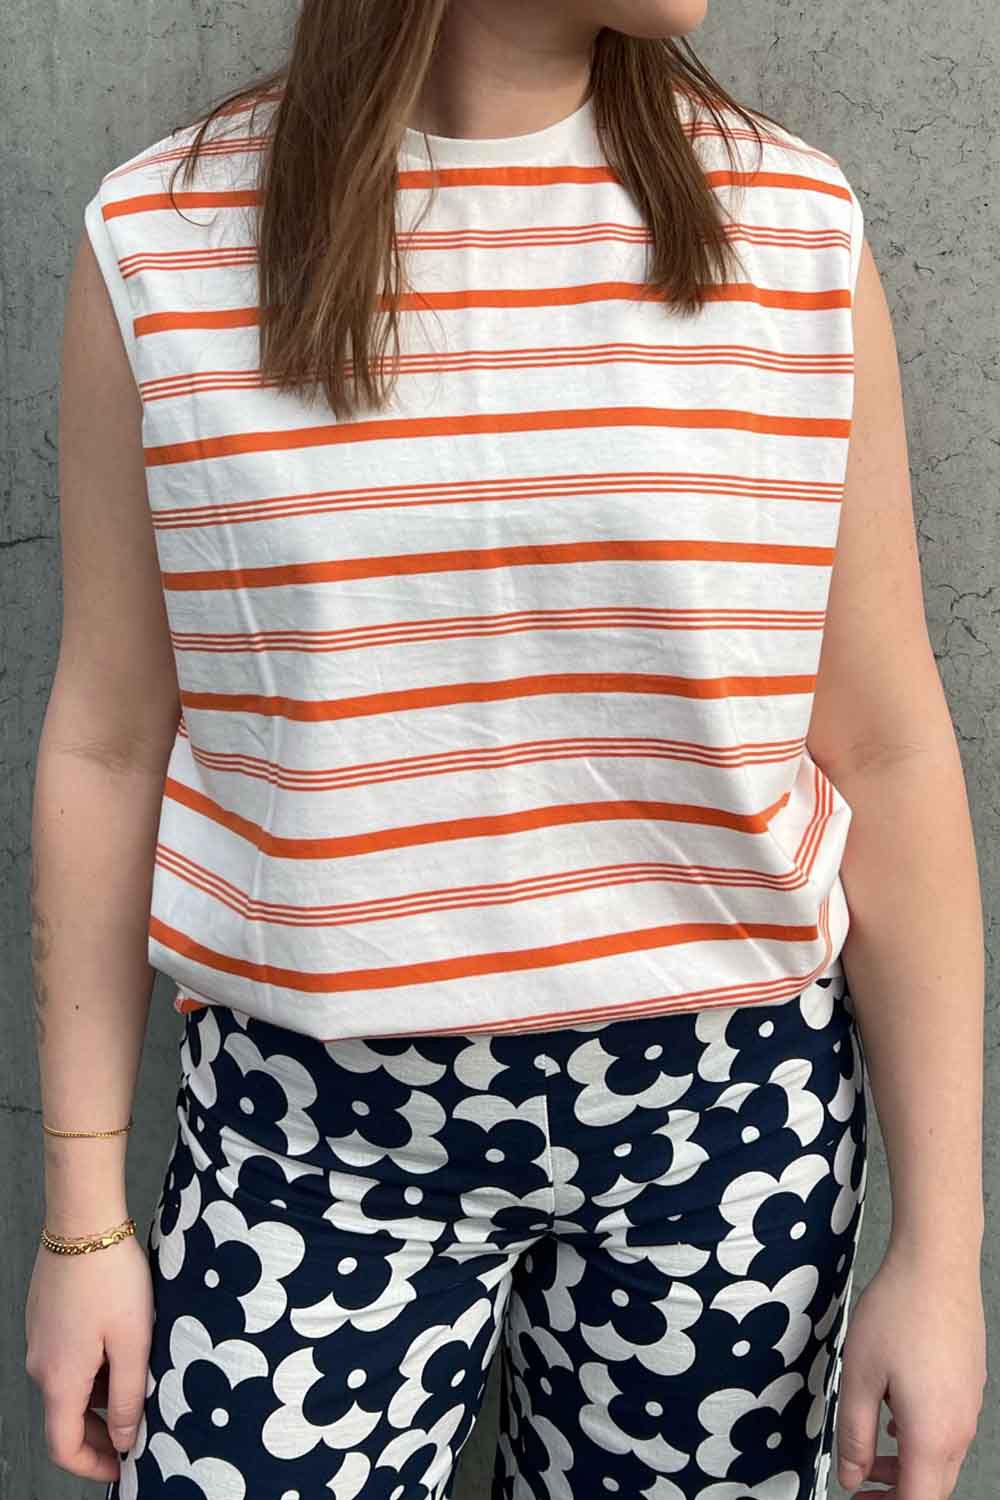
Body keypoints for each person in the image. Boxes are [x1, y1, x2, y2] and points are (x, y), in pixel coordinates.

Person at [25, 2, 987, 1497]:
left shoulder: (790, 230)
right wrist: (81, 1218)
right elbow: (104, 742)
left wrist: (942, 1251)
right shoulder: (165, 243)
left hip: (726, 1129)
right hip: (309, 1132)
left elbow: (887, 748)